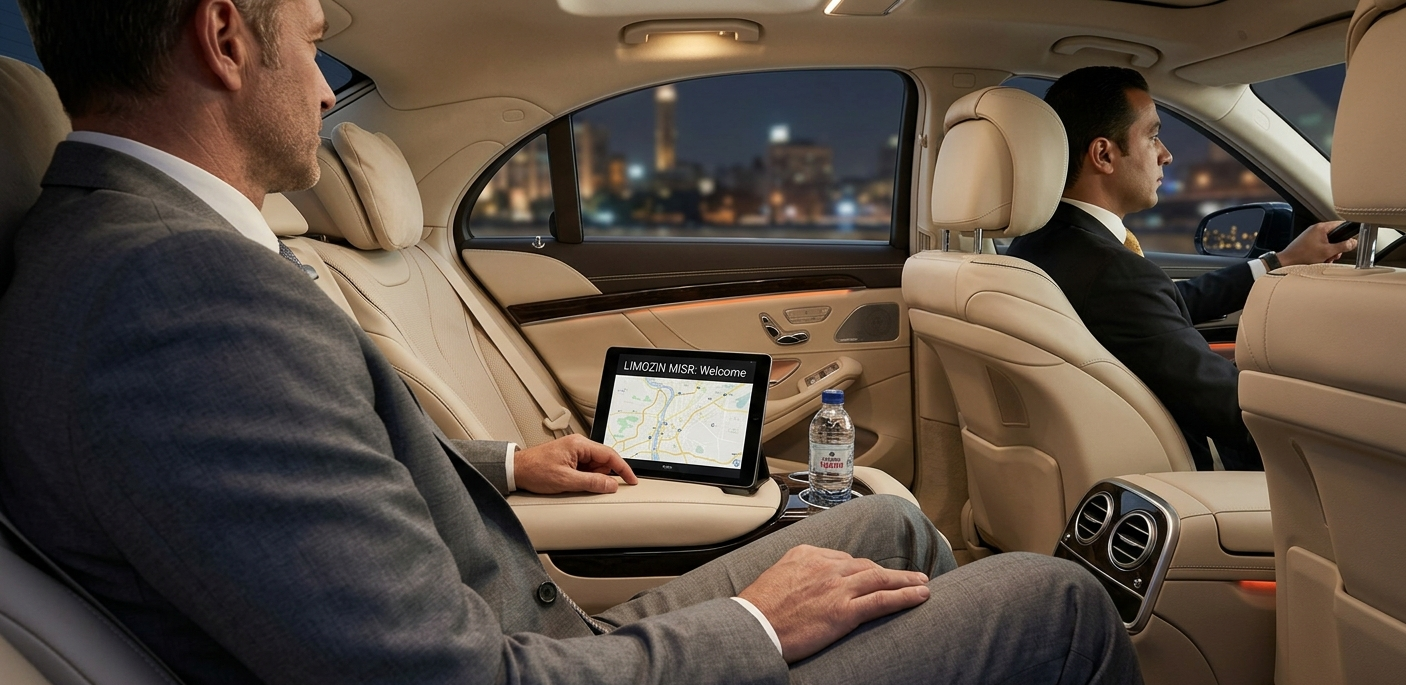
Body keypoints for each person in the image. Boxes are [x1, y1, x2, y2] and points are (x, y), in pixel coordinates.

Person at [0, 1, 1141, 683]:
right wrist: (754, 625)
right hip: (524, 656)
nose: (321, 75)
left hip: (532, 622)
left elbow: (294, 478)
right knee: (1055, 601)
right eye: (309, 35)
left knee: (883, 516)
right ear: (223, 38)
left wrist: (505, 463)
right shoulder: (171, 288)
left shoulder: (129, 259)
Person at [1007, 66, 1355, 471]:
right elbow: (1233, 411)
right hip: (1187, 483)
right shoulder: (1111, 273)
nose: (1166, 154)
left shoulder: (1040, 244)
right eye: (1153, 136)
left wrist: (1280, 262)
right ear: (1104, 154)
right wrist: (1350, 410)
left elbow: (1159, 310)